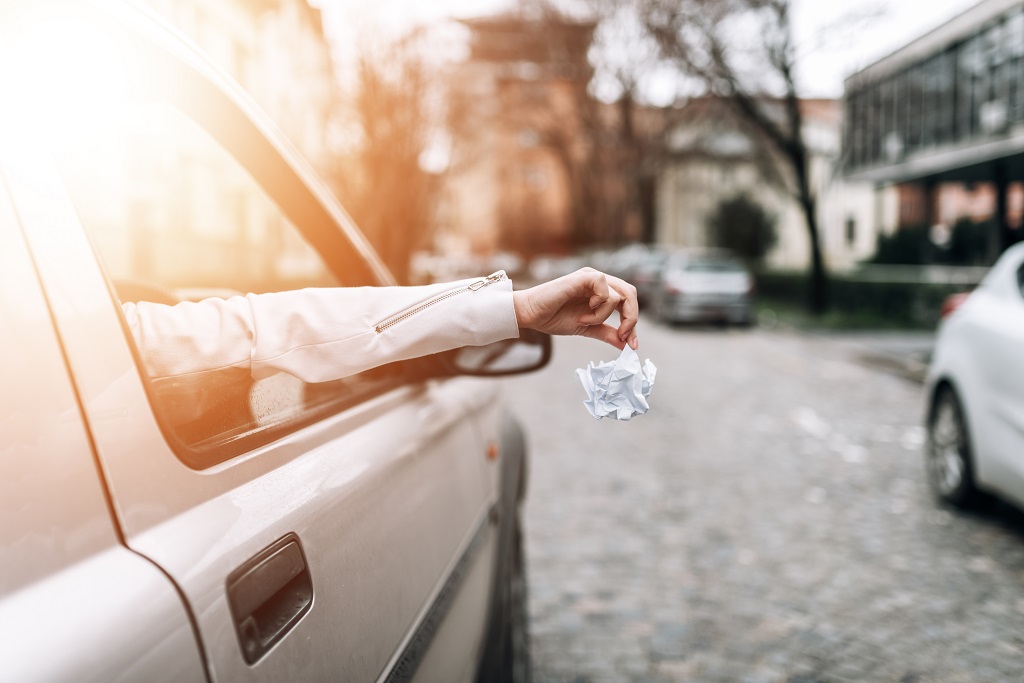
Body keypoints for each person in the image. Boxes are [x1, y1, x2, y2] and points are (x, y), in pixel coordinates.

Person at [123, 267, 639, 383]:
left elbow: (258, 332)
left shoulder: (105, 339)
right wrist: (516, 309)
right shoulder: (107, 342)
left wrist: (517, 309)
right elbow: (261, 332)